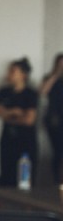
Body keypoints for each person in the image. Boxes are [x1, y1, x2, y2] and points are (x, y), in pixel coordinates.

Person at [0, 57, 39, 187]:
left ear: (23, 74)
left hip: (25, 141)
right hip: (7, 139)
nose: (9, 74)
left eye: (13, 71)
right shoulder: (3, 92)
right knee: (5, 173)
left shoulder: (30, 94)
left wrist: (5, 113)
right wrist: (13, 113)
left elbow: (29, 120)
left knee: (25, 176)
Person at [40, 53, 63, 184]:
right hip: (55, 120)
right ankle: (56, 182)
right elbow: (42, 92)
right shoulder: (50, 78)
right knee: (58, 153)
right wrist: (56, 74)